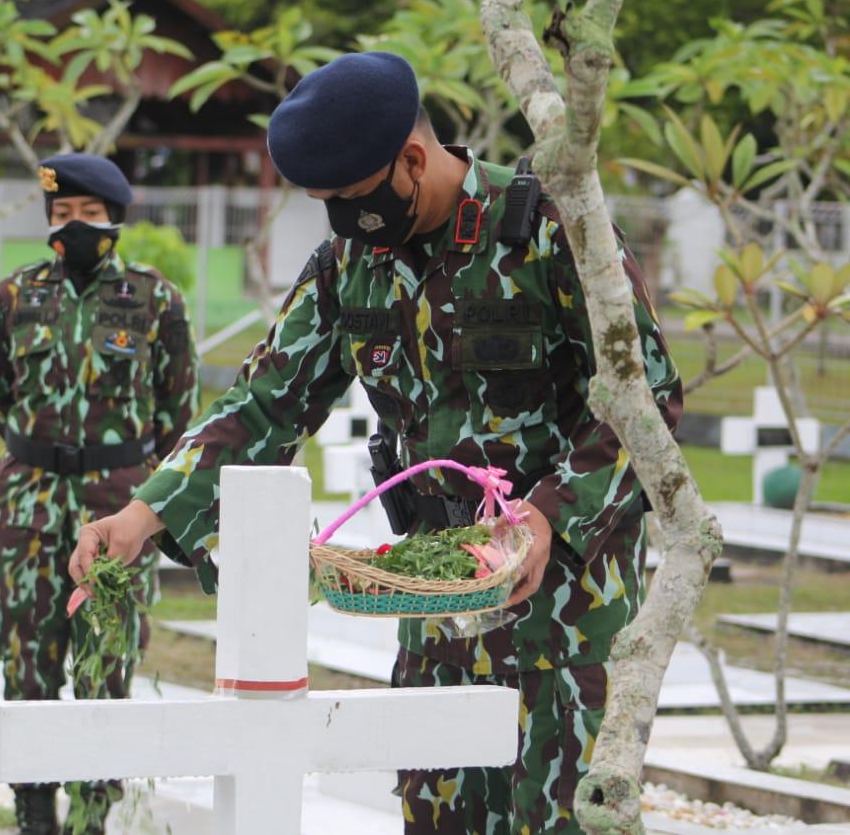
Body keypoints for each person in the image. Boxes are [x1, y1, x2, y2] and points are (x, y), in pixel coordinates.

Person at [68, 52, 683, 833]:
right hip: (431, 617)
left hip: (564, 619)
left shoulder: (549, 231)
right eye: (325, 202)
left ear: (415, 159)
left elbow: (646, 397)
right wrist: (144, 514)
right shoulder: (347, 266)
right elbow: (263, 403)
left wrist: (546, 515)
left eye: (352, 199)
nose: (342, 222)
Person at [0, 153, 199, 835]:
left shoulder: (155, 300)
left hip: (117, 510)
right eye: (61, 215)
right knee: (27, 663)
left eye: (88, 215)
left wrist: (136, 484)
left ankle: (94, 816)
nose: (73, 226)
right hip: (28, 508)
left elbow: (178, 410)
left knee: (105, 663)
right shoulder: (11, 298)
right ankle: (35, 811)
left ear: (115, 220)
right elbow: (0, 394)